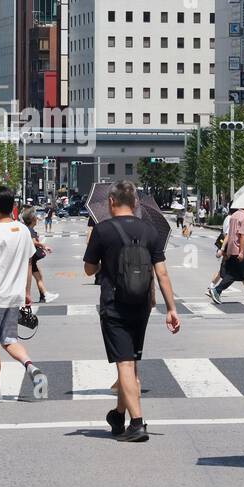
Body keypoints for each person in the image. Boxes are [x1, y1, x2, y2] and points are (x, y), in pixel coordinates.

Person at [83, 180, 181, 442]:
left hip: (114, 305)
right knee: (131, 362)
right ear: (136, 202)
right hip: (142, 306)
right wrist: (171, 308)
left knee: (124, 363)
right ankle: (118, 414)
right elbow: (162, 273)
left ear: (111, 202)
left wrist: (103, 255)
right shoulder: (150, 231)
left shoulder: (103, 230)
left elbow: (89, 270)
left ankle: (137, 423)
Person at [0, 187, 48, 402]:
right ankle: (31, 368)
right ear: (12, 206)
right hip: (15, 296)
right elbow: (29, 262)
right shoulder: (23, 230)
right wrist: (26, 292)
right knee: (9, 339)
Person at [209, 207, 244, 303]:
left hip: (231, 249)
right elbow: (242, 235)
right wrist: (242, 251)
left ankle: (217, 290)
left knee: (233, 274)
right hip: (240, 250)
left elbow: (231, 233)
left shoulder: (234, 215)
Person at [20, 207, 59, 303]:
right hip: (30, 259)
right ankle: (44, 295)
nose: (37, 219)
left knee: (39, 277)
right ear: (32, 219)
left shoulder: (27, 229)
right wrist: (44, 246)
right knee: (38, 277)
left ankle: (43, 296)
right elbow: (33, 242)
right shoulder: (30, 230)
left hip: (30, 259)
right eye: (36, 217)